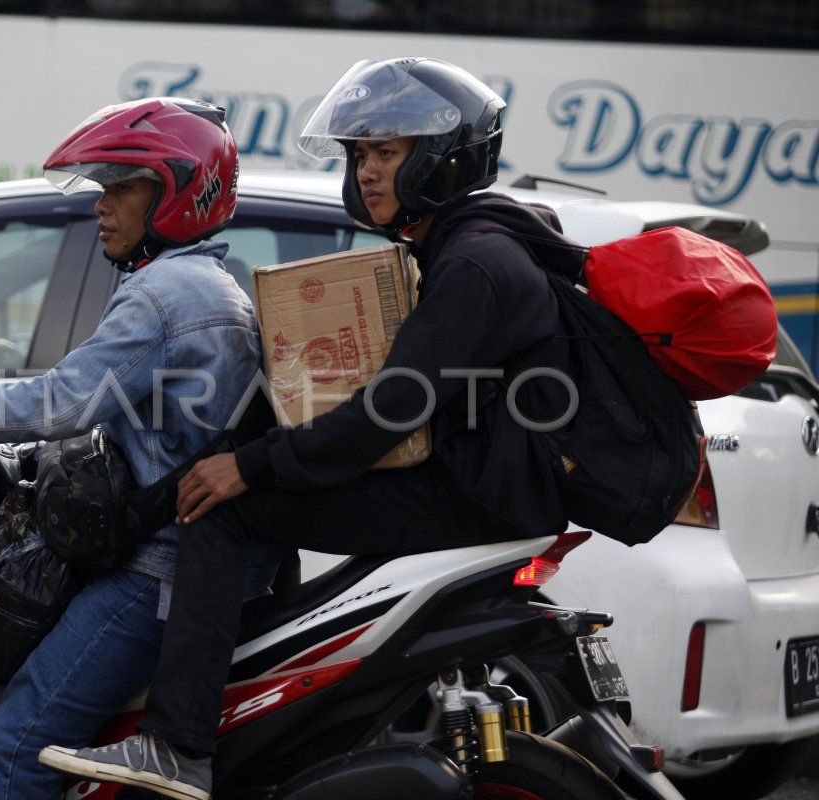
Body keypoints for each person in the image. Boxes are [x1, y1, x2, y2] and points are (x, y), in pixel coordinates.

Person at [37, 57, 587, 800]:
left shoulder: (475, 262)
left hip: (478, 492)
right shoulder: (469, 242)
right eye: (360, 155)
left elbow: (389, 411)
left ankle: (179, 746)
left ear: (441, 157)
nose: (365, 172)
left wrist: (250, 467)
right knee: (256, 468)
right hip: (481, 475)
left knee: (231, 509)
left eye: (385, 153)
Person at [0, 96, 282, 799]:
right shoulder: (210, 285)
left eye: (121, 188)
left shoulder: (166, 294)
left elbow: (61, 402)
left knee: (14, 752)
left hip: (156, 573)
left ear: (175, 193)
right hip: (195, 558)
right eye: (102, 189)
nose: (101, 207)